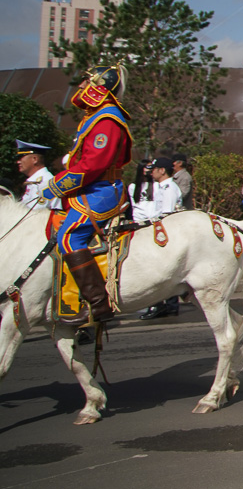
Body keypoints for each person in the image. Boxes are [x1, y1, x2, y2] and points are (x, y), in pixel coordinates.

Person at [41, 64, 132, 326]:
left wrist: (56, 185)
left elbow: (93, 165)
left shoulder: (107, 119)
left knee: (69, 237)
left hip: (102, 190)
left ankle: (98, 304)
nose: (81, 87)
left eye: (85, 83)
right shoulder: (97, 116)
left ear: (99, 87)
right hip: (91, 189)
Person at [137, 158, 185, 319]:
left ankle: (163, 305)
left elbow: (167, 215)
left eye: (155, 169)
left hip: (166, 235)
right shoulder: (162, 187)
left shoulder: (169, 188)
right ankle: (166, 305)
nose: (152, 172)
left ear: (162, 170)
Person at [16, 140, 59, 210]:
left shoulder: (45, 181)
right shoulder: (35, 181)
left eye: (21, 157)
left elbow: (34, 213)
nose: (18, 162)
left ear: (35, 159)